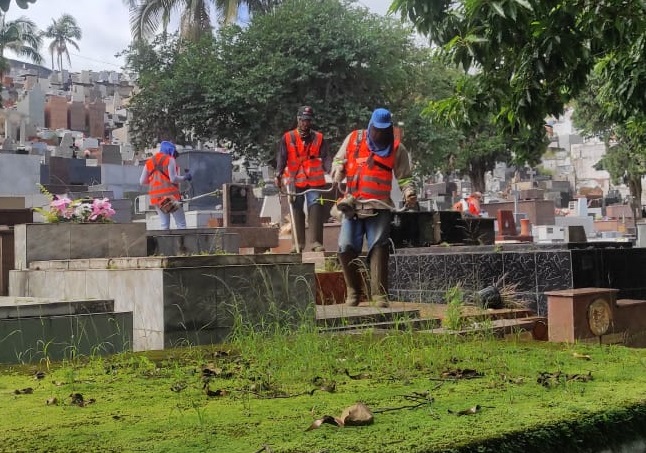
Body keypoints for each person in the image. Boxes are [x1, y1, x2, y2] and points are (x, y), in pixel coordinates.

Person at [330, 108, 417, 308]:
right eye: (376, 130)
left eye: (384, 131)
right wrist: (338, 169)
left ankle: (379, 295)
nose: (379, 134)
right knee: (345, 247)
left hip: (379, 207)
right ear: (370, 126)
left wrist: (409, 193)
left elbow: (404, 177)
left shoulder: (396, 148)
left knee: (379, 246)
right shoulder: (353, 139)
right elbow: (338, 159)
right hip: (352, 205)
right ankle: (354, 292)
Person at [275, 106, 331, 252]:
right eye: (303, 120)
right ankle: (297, 245)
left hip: (314, 181)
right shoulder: (288, 138)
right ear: (298, 120)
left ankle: (316, 243)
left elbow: (326, 157)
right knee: (296, 209)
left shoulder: (319, 137)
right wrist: (278, 174)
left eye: (308, 120)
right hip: (295, 180)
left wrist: (332, 171)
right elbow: (281, 157)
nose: (306, 123)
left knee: (316, 207)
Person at [139, 141, 192, 230]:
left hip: (156, 198)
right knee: (181, 223)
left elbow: (142, 181)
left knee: (164, 224)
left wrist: (154, 181)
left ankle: (164, 243)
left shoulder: (149, 162)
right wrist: (185, 178)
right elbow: (173, 179)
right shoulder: (169, 159)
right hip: (169, 197)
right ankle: (183, 243)